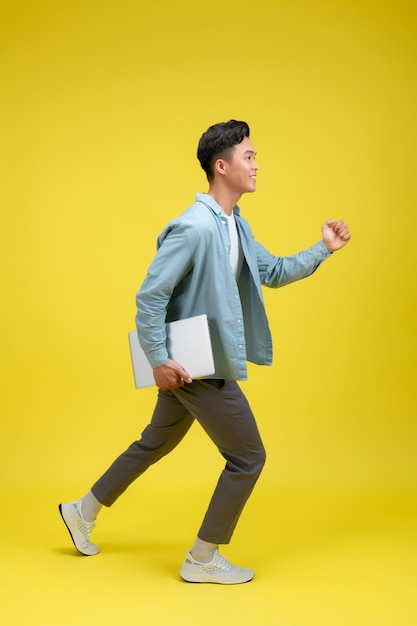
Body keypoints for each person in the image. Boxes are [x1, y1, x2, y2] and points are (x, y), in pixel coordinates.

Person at [59, 120, 351, 584]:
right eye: (249, 156)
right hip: (197, 366)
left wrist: (323, 249)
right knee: (249, 457)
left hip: (198, 361)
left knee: (155, 442)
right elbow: (150, 296)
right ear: (222, 165)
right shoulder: (193, 226)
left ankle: (81, 510)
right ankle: (201, 557)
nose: (256, 164)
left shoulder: (236, 225)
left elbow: (272, 271)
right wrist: (157, 359)